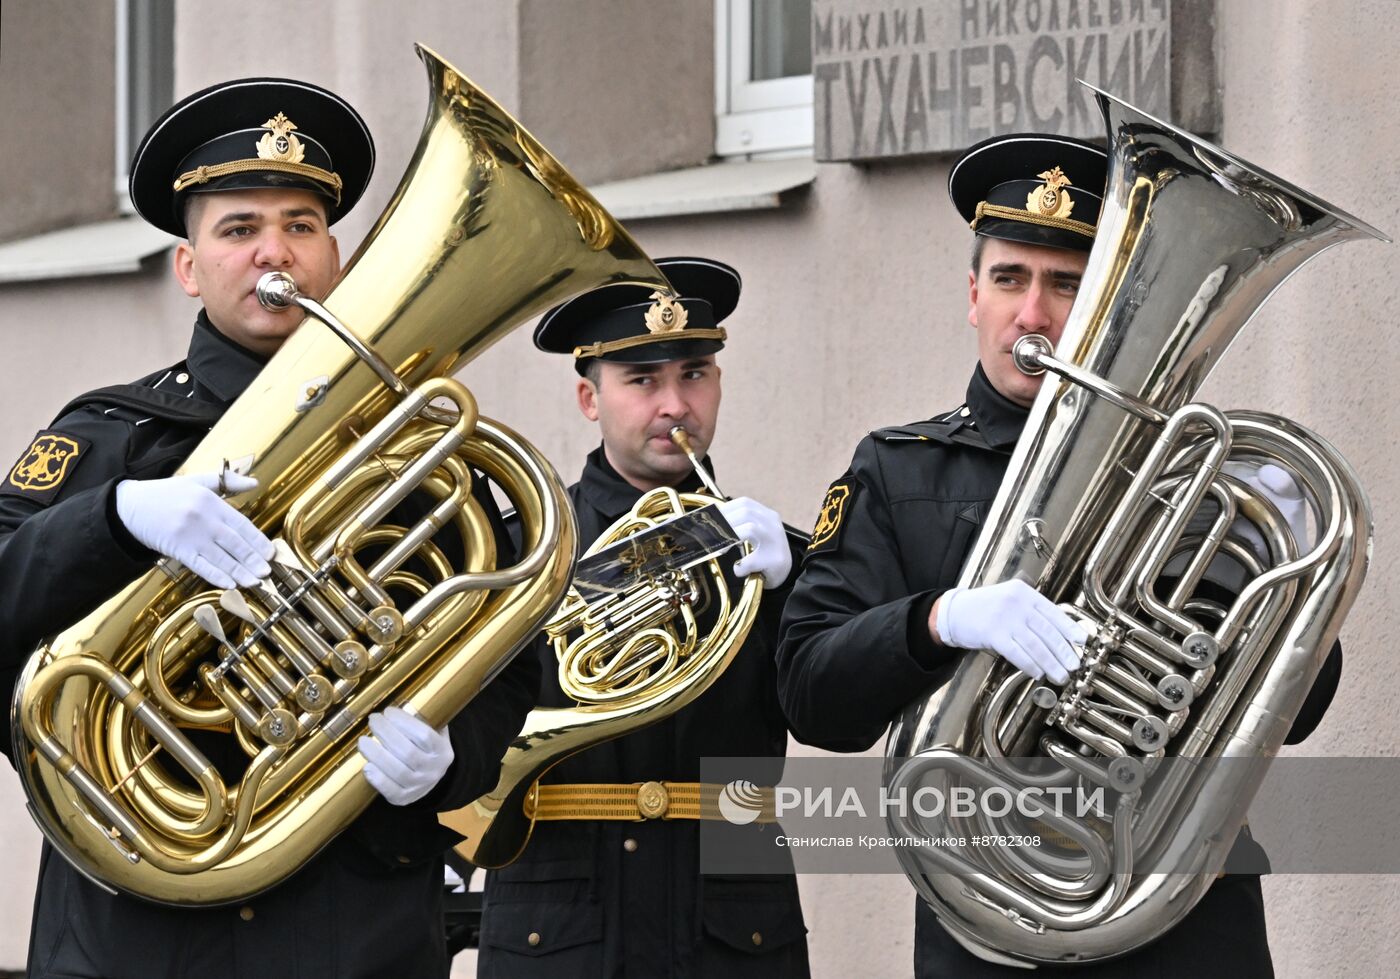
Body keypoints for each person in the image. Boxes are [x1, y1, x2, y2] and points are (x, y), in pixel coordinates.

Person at [0, 77, 540, 978]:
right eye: (238, 229)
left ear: (336, 257)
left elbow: (511, 655)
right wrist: (115, 519)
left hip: (353, 925)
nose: (272, 252)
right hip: (137, 936)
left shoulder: (419, 455)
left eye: (300, 225)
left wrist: (452, 758)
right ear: (189, 266)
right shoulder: (111, 435)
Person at [774, 134, 1343, 976]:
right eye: (1009, 279)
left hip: (1186, 921)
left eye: (1065, 284)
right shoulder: (897, 469)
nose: (1032, 314)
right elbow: (812, 694)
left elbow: (1302, 706)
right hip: (989, 927)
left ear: (1107, 304)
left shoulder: (1199, 479)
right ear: (974, 295)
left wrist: (1265, 581)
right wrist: (940, 620)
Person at [476, 257, 810, 977]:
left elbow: (836, 717)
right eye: (642, 380)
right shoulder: (522, 546)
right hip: (562, 927)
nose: (674, 405)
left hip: (734, 927)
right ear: (588, 398)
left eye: (694, 373)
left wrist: (798, 589)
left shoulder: (773, 553)